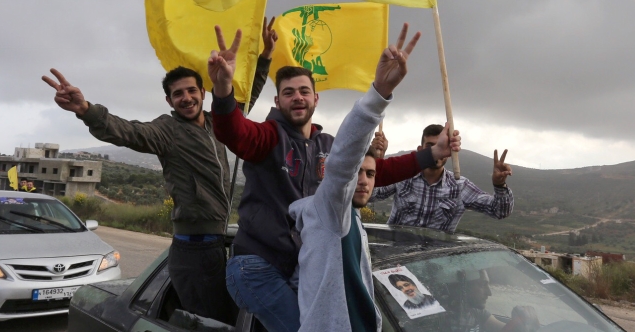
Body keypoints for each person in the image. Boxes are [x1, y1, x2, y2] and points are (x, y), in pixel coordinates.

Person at [208, 24, 455, 332]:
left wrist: (431, 155)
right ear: (277, 102)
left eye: (303, 91)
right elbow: (235, 133)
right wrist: (222, 92)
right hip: (257, 265)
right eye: (288, 93)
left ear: (316, 99)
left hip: (303, 267)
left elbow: (378, 171)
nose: (297, 97)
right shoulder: (267, 136)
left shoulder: (329, 147)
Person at [40, 23, 277, 324]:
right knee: (212, 324)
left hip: (216, 244)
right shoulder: (167, 129)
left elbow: (246, 96)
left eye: (192, 90)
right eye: (178, 94)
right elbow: (128, 132)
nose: (186, 98)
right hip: (194, 251)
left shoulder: (218, 121)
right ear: (169, 101)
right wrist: (85, 109)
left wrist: (266, 56)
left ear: (203, 92)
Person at [290, 25, 461, 332]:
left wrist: (434, 153)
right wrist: (378, 94)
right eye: (357, 174)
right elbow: (344, 156)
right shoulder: (329, 212)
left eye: (370, 174)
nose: (365, 181)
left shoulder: (354, 221)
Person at [370, 124, 514, 233]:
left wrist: (499, 185)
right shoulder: (403, 176)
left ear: (449, 152)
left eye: (441, 146)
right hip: (395, 258)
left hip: (435, 264)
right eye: (431, 146)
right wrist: (374, 162)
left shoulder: (459, 186)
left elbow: (499, 211)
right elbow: (370, 195)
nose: (437, 152)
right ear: (421, 150)